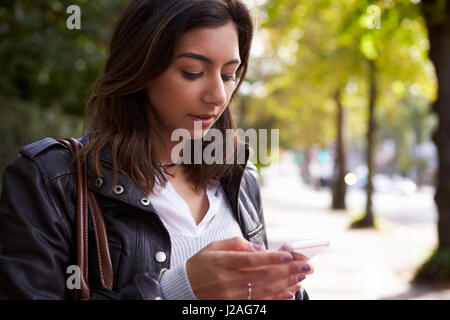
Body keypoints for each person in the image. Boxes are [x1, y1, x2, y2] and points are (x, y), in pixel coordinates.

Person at [0, 0, 313, 300]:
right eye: (193, 71)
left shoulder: (240, 177)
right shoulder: (51, 180)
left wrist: (283, 289)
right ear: (141, 68)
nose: (218, 95)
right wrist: (175, 290)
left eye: (229, 74)